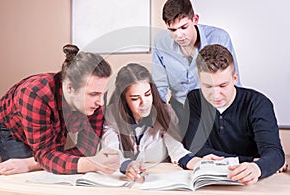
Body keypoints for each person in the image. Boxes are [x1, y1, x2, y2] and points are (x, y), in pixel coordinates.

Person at [0, 44, 120, 175]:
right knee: (24, 176)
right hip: (12, 126)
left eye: (103, 94)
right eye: (93, 94)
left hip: (54, 122)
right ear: (70, 88)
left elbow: (85, 150)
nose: (101, 102)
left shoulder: (95, 103)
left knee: (52, 169)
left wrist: (32, 162)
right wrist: (94, 163)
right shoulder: (35, 94)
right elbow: (48, 156)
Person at [183, 44, 287, 185]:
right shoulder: (194, 100)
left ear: (235, 78)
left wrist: (257, 167)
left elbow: (274, 153)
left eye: (222, 85)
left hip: (253, 183)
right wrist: (249, 160)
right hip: (210, 181)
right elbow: (196, 148)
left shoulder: (258, 103)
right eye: (207, 86)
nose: (215, 95)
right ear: (200, 81)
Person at [101, 63, 222, 181]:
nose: (144, 102)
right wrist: (126, 165)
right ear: (123, 99)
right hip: (124, 182)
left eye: (147, 94)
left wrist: (201, 162)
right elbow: (111, 153)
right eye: (135, 98)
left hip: (159, 180)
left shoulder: (166, 113)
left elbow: (177, 151)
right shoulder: (112, 114)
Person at [152, 0, 241, 133]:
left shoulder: (219, 37)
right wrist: (162, 113)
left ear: (195, 19)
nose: (179, 35)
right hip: (178, 109)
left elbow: (232, 82)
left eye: (184, 27)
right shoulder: (160, 42)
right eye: (172, 30)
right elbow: (159, 85)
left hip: (211, 107)